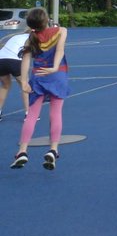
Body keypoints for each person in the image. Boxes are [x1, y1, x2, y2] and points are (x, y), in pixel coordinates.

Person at [10, 9, 69, 169]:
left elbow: (25, 60)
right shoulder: (61, 31)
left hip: (38, 78)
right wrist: (55, 67)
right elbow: (60, 50)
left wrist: (24, 82)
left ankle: (22, 151)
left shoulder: (31, 38)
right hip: (58, 76)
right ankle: (53, 149)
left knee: (32, 115)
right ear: (46, 20)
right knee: (55, 113)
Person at [0, 31, 30, 122]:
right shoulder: (32, 38)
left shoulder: (16, 36)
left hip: (1, 59)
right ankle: (28, 113)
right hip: (14, 61)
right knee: (25, 86)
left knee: (5, 86)